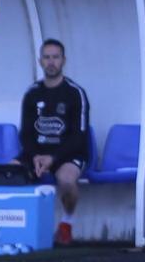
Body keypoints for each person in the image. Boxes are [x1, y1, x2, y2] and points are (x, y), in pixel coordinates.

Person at [14, 39, 90, 246]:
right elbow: (25, 133)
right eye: (47, 57)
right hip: (37, 154)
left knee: (66, 179)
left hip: (68, 154)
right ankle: (14, 229)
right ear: (40, 61)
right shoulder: (32, 93)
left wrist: (53, 158)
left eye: (55, 57)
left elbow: (80, 136)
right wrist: (36, 156)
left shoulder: (75, 93)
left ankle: (66, 225)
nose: (51, 62)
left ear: (63, 60)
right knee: (8, 173)